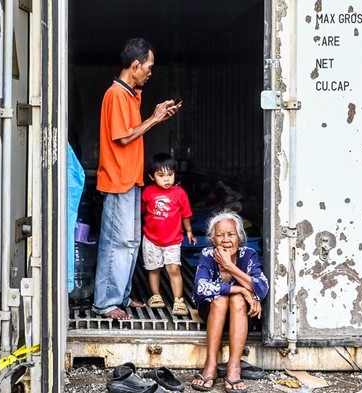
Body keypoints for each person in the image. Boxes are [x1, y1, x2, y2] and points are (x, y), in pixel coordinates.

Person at [93, 37, 182, 320]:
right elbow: (122, 138)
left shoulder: (128, 94)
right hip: (118, 180)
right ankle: (106, 303)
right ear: (135, 65)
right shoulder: (116, 95)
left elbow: (132, 129)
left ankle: (121, 296)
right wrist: (154, 119)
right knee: (118, 244)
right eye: (149, 66)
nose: (150, 72)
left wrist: (158, 115)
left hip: (131, 179)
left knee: (130, 243)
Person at [190, 211, 269, 392]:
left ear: (239, 238)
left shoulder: (248, 255)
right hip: (212, 312)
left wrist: (229, 267)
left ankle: (234, 367)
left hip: (242, 315)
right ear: (212, 240)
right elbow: (200, 289)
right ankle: (211, 365)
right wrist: (242, 289)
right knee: (221, 300)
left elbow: (262, 287)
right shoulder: (207, 254)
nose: (226, 239)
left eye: (231, 234)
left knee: (238, 301)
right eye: (220, 235)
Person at [141, 153, 196, 316]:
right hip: (151, 239)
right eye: (161, 175)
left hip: (173, 240)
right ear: (152, 176)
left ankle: (178, 300)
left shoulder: (180, 193)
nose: (167, 179)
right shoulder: (147, 192)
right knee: (154, 269)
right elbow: (141, 213)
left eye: (170, 175)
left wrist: (189, 232)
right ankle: (156, 295)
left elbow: (186, 214)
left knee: (173, 269)